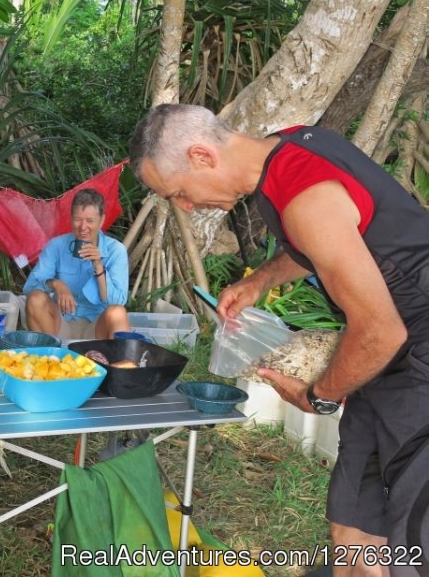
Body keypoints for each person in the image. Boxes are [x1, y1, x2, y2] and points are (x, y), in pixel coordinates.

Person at [130, 103, 429, 575]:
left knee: (415, 539)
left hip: (411, 356)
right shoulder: (289, 146)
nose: (186, 206)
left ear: (202, 156)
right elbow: (328, 239)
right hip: (384, 361)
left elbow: (381, 329)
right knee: (353, 526)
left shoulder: (306, 194)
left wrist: (320, 397)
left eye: (179, 193)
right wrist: (261, 280)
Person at [23, 188, 131, 339]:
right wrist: (56, 284)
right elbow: (29, 287)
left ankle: (117, 361)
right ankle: (49, 356)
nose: (83, 227)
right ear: (71, 218)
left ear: (101, 220)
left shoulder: (116, 250)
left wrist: (98, 266)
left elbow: (117, 301)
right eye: (78, 219)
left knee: (117, 312)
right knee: (35, 299)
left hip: (96, 328)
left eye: (90, 221)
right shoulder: (57, 246)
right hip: (60, 324)